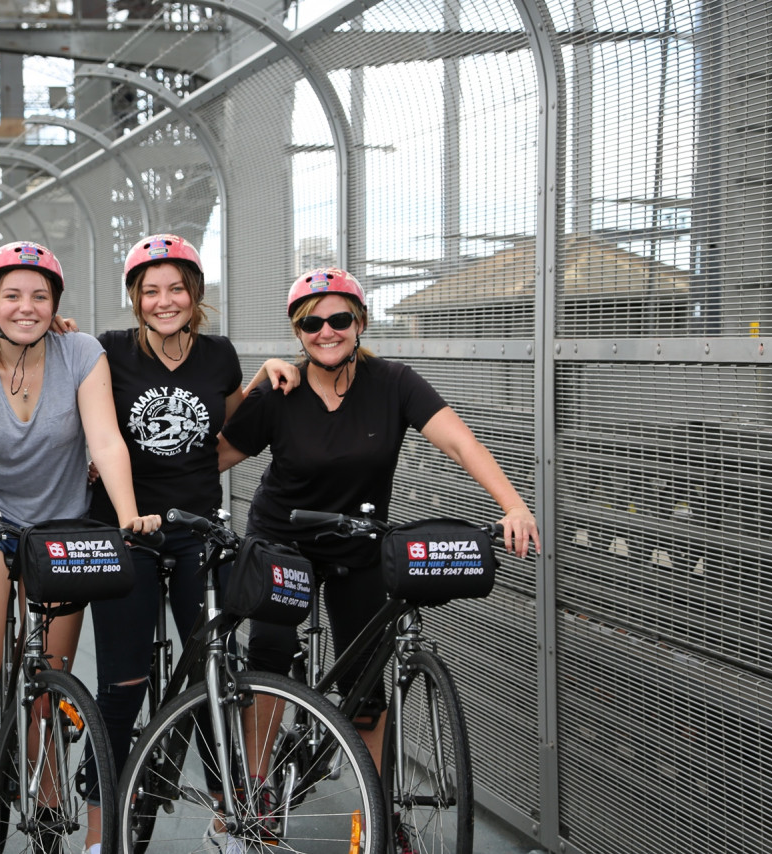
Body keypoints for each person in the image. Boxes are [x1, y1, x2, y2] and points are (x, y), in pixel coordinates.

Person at [216, 268, 540, 828]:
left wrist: (512, 504)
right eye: (312, 323)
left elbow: (459, 441)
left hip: (356, 539)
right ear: (298, 332)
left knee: (366, 682)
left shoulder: (393, 383)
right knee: (270, 650)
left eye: (339, 319)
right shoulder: (281, 389)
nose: (326, 331)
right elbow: (216, 456)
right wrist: (247, 391)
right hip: (281, 539)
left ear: (360, 322)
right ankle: (257, 789)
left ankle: (376, 811)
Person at [0, 240, 162, 854]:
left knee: (50, 677)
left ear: (55, 304)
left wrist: (130, 513)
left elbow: (106, 439)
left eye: (39, 295)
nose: (25, 307)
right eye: (12, 296)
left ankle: (45, 789)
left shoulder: (82, 353)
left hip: (60, 524)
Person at [82, 234, 294, 854]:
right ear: (135, 298)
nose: (164, 300)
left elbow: (222, 424)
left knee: (214, 675)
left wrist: (259, 378)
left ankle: (232, 818)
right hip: (126, 530)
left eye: (177, 288)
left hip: (196, 530)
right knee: (120, 686)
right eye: (151, 290)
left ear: (195, 295)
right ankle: (102, 834)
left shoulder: (218, 354)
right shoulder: (106, 350)